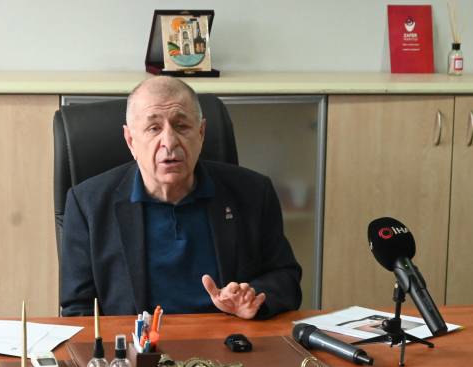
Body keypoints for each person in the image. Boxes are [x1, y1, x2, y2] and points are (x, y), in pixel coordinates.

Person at [60, 76, 301, 319]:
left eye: (181, 126)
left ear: (201, 132)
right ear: (130, 140)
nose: (169, 141)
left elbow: (285, 278)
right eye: (154, 128)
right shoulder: (87, 204)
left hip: (227, 337)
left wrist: (251, 297)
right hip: (139, 342)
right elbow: (78, 309)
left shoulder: (253, 192)